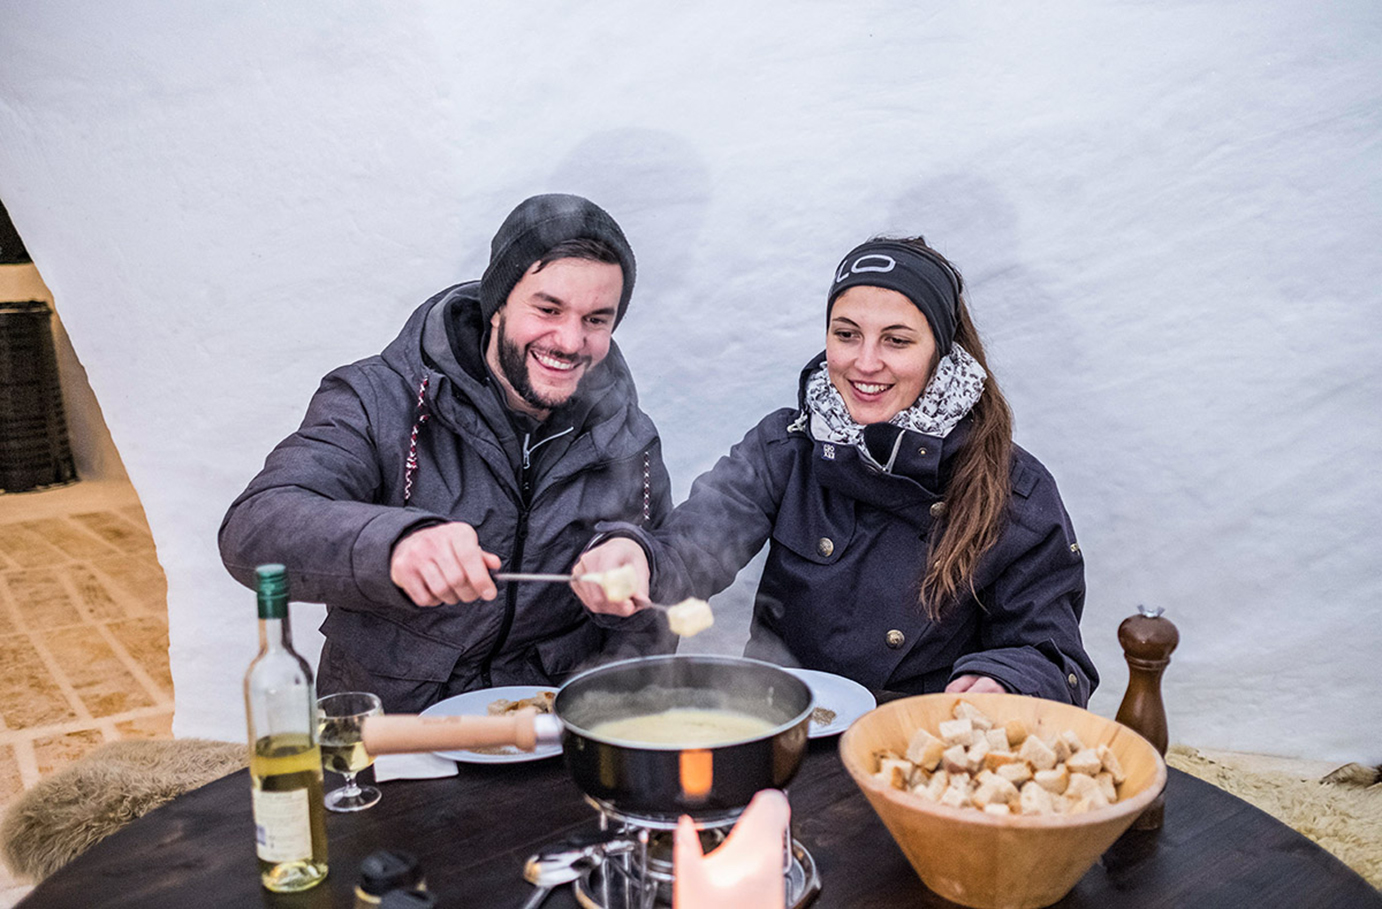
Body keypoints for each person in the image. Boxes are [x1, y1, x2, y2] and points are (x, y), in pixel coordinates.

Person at [573, 236, 1097, 703]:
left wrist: (1005, 680)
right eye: (847, 335)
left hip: (915, 752)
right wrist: (635, 554)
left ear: (942, 352)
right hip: (778, 725)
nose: (865, 363)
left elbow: (1052, 656)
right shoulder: (787, 447)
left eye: (897, 340)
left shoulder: (1015, 491)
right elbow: (690, 548)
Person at [220, 194, 674, 712]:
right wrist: (396, 545)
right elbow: (253, 531)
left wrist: (639, 585)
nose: (570, 340)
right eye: (548, 309)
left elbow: (660, 602)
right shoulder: (377, 399)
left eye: (597, 319)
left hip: (550, 738)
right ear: (498, 302)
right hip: (393, 734)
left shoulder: (630, 440)